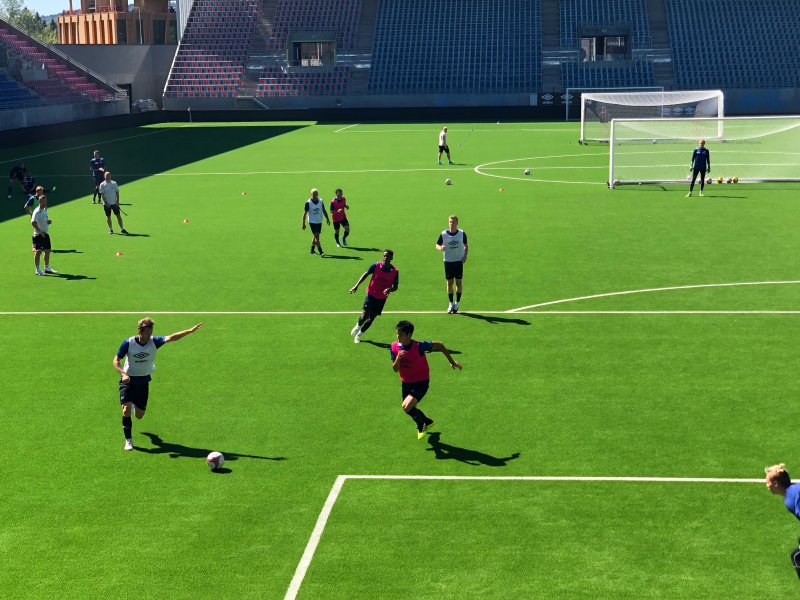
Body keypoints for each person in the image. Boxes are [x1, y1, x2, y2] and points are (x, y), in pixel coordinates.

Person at [112, 318, 203, 451]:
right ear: (140, 331)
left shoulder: (154, 342)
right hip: (128, 381)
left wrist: (189, 331)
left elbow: (172, 337)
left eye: (151, 332)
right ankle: (129, 441)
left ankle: (134, 406)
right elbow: (116, 361)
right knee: (125, 410)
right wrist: (123, 374)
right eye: (147, 333)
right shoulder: (129, 343)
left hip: (143, 382)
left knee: (139, 415)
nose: (149, 335)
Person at [390, 320, 462, 439]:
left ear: (409, 335)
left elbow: (440, 345)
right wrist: (397, 359)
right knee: (409, 409)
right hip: (406, 383)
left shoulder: (419, 346)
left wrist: (452, 362)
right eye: (397, 333)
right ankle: (427, 422)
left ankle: (421, 425)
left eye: (400, 334)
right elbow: (395, 369)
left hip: (421, 382)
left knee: (406, 406)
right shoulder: (393, 347)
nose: (398, 337)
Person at [349, 249, 398, 343]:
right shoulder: (376, 266)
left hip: (381, 298)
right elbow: (365, 275)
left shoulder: (395, 271)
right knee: (364, 316)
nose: (385, 257)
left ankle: (359, 335)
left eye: (387, 256)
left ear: (391, 258)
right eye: (384, 255)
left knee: (371, 318)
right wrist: (356, 286)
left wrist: (390, 289)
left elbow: (395, 287)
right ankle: (358, 326)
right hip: (371, 294)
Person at [765, 463, 800, 579]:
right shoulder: (793, 490)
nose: (767, 485)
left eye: (768, 482)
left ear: (775, 484)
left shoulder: (791, 497)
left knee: (796, 557)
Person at [435, 215, 469, 314]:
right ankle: (450, 303)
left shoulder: (462, 234)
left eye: (453, 222)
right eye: (450, 222)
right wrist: (440, 248)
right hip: (448, 262)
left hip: (458, 261)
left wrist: (465, 257)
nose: (451, 223)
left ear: (457, 223)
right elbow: (437, 245)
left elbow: (466, 246)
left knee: (458, 283)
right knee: (449, 283)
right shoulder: (443, 234)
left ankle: (457, 303)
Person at [31, 194, 56, 276]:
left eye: (46, 201)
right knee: (38, 252)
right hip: (39, 235)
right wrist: (40, 232)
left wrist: (48, 222)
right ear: (40, 201)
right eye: (43, 201)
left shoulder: (44, 210)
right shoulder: (37, 211)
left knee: (48, 251)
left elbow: (43, 220)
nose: (45, 202)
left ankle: (47, 268)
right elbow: (33, 222)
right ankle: (37, 269)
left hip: (45, 234)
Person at [301, 188, 330, 255]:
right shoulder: (308, 203)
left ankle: (312, 250)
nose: (315, 195)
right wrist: (303, 223)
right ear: (311, 194)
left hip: (319, 221)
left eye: (316, 194)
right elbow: (305, 213)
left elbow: (324, 210)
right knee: (317, 236)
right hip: (312, 222)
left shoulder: (321, 201)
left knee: (315, 236)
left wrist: (327, 218)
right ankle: (321, 251)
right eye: (313, 194)